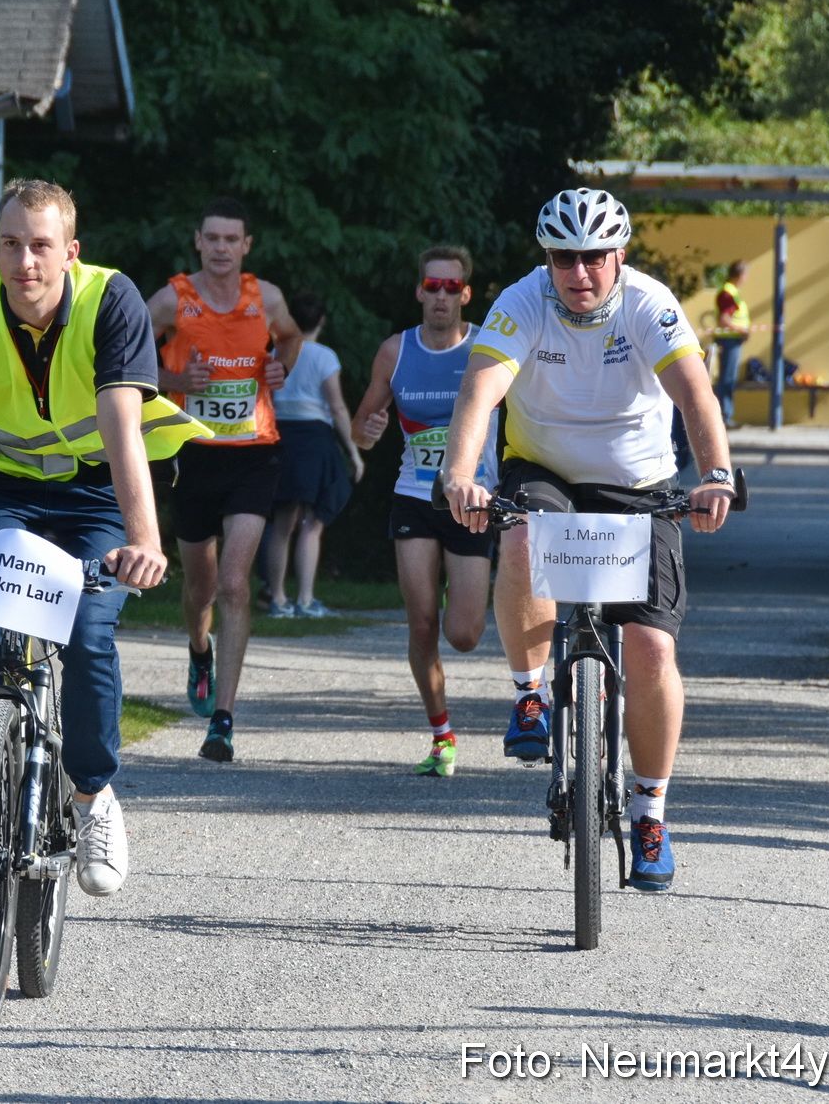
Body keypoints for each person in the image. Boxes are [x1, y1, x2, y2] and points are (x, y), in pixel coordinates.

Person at [0, 178, 202, 897]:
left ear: (70, 251)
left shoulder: (111, 300)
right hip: (2, 489)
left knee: (85, 627)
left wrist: (144, 538)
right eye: (10, 244)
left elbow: (121, 423)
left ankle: (93, 797)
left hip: (94, 492)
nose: (25, 262)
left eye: (41, 245)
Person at [440, 187, 735, 891]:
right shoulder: (521, 303)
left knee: (652, 646)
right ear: (547, 260)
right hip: (543, 467)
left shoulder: (648, 304)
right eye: (564, 258)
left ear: (619, 256)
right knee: (519, 539)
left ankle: (651, 811)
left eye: (594, 258)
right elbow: (478, 395)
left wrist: (718, 472)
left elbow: (695, 395)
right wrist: (459, 475)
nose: (579, 273)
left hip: (639, 481)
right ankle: (529, 694)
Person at [146, 197, 302, 762]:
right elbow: (123, 352)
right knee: (201, 588)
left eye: (230, 240)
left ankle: (223, 720)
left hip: (254, 455)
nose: (220, 249)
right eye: (211, 239)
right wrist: (172, 376)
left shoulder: (267, 298)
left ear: (246, 246)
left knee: (236, 583)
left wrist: (281, 364)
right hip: (192, 453)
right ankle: (198, 649)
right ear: (198, 242)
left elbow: (289, 336)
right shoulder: (171, 300)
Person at [351, 246, 498, 777]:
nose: (440, 297)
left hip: (474, 499)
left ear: (465, 293)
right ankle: (442, 735)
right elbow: (362, 426)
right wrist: (366, 433)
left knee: (464, 635)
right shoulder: (396, 351)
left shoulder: (488, 347)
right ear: (419, 291)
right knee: (421, 624)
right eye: (430, 287)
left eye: (450, 288)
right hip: (415, 495)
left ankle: (461, 590)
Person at [263, 291, 361, 618]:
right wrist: (354, 453)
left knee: (281, 523)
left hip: (278, 437)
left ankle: (277, 600)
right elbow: (336, 406)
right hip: (314, 439)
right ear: (321, 321)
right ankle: (305, 600)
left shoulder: (276, 351)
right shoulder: (324, 357)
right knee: (312, 523)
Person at [711, 260, 751, 428]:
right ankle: (724, 417)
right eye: (745, 275)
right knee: (727, 378)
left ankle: (725, 416)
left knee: (728, 378)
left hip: (732, 340)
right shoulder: (728, 293)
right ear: (741, 275)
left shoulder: (731, 291)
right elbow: (724, 320)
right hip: (730, 340)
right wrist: (741, 330)